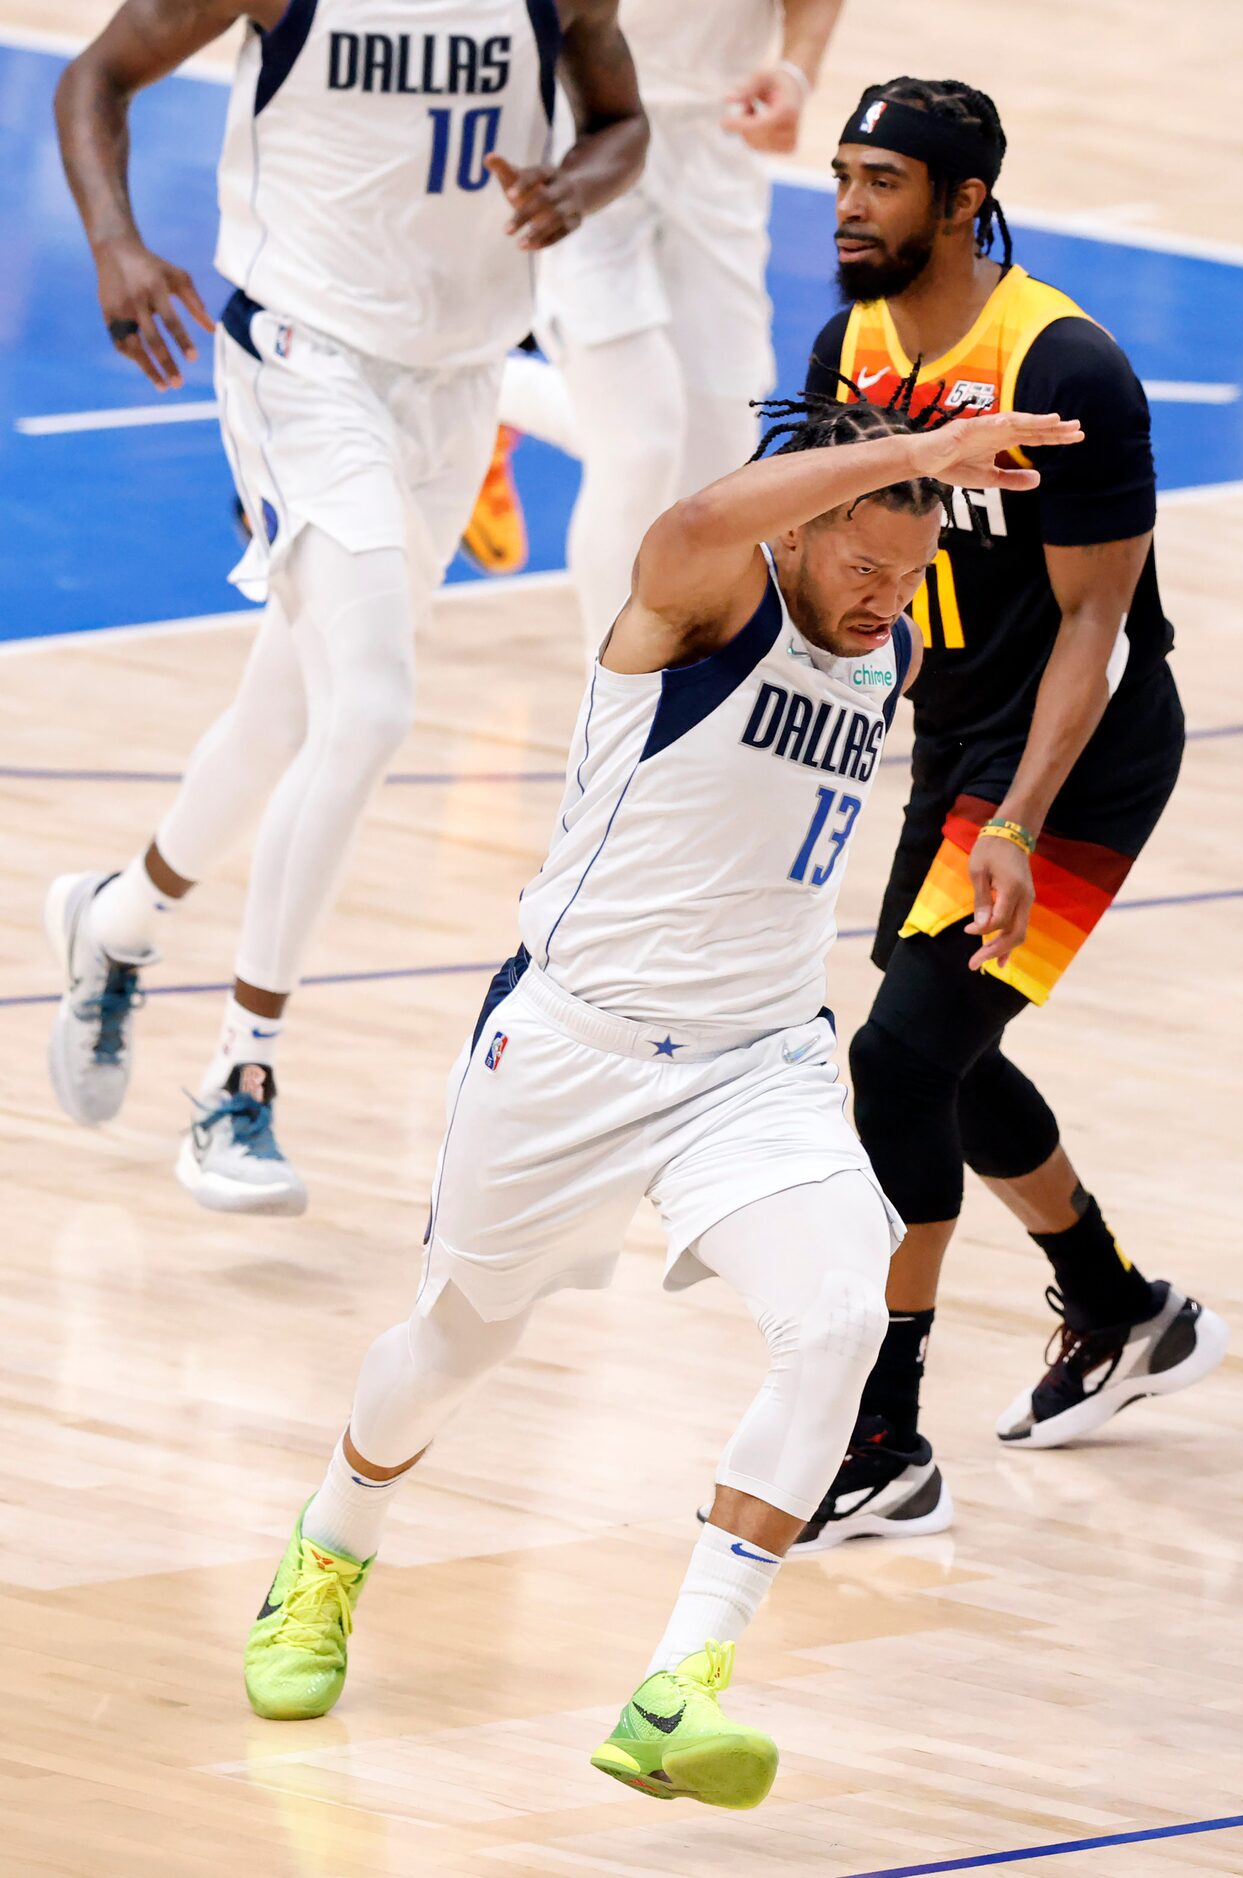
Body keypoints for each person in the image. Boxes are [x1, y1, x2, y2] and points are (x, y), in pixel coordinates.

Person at [240, 390, 1081, 1810]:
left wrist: (1001, 831)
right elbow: (693, 519)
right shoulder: (700, 608)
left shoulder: (896, 646)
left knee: (838, 1319)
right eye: (862, 561)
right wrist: (920, 454)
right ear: (798, 530)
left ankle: (678, 1683)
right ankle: (328, 1548)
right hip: (571, 1045)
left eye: (908, 567)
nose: (886, 594)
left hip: (752, 1065)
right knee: (455, 1343)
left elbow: (980, 705)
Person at [45, 0, 646, 1214]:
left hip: (459, 375)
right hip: (304, 359)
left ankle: (117, 916)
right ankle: (240, 1075)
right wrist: (116, 243)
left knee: (289, 708)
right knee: (369, 710)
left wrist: (575, 186)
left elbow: (624, 124)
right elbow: (96, 77)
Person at [792, 76, 1230, 1552]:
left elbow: (1095, 630)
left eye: (885, 181)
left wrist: (1018, 821)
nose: (850, 204)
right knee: (949, 1055)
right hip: (958, 734)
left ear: (965, 201)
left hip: (1082, 748)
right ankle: (1118, 1308)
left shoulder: (1068, 367)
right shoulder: (849, 345)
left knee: (900, 1062)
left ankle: (882, 1436)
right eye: (845, 175)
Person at [460, 0, 846, 642]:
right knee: (640, 447)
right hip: (582, 136)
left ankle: (496, 394)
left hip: (717, 137)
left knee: (718, 461)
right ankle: (609, 712)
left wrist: (797, 73)